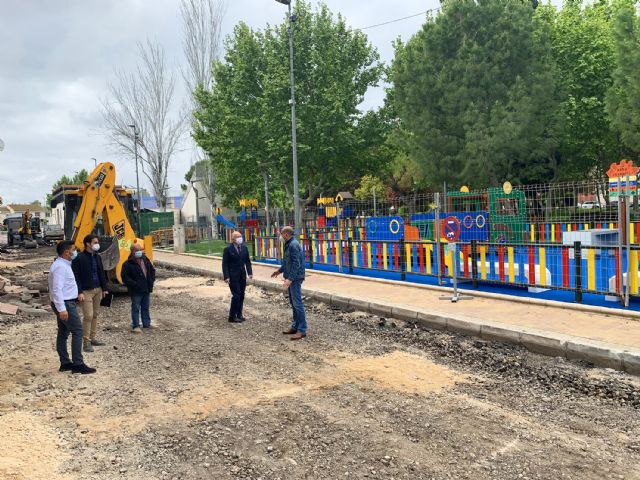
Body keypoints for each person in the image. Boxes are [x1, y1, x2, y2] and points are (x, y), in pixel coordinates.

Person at [49, 240, 96, 374]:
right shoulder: (60, 267)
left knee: (63, 332)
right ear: (66, 252)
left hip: (65, 302)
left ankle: (65, 363)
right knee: (78, 331)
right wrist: (62, 308)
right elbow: (57, 289)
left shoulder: (63, 264)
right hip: (65, 303)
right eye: (73, 250)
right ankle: (78, 364)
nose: (75, 252)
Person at [72, 234, 109, 352]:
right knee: (88, 316)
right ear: (88, 244)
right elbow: (76, 275)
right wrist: (79, 291)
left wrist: (105, 288)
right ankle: (86, 342)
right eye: (95, 242)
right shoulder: (79, 258)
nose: (97, 244)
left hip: (98, 289)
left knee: (95, 314)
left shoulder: (97, 257)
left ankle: (92, 338)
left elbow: (101, 273)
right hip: (86, 291)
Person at [271, 226, 307, 340]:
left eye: (281, 234)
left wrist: (290, 279)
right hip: (292, 277)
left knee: (297, 304)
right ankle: (295, 326)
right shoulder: (288, 244)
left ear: (286, 234)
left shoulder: (293, 245)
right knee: (293, 303)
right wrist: (279, 271)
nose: (280, 236)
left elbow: (297, 264)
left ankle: (302, 330)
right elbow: (288, 262)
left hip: (295, 279)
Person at [121, 243, 156, 333]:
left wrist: (151, 280)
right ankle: (136, 325)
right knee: (136, 308)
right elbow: (125, 278)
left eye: (140, 250)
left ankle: (146, 323)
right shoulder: (127, 264)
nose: (139, 252)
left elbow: (152, 270)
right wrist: (135, 285)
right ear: (132, 252)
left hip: (146, 288)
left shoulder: (145, 259)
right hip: (136, 291)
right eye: (137, 250)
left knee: (145, 307)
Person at [222, 231, 253, 323]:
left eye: (241, 236)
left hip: (242, 275)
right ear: (233, 239)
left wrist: (250, 272)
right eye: (238, 237)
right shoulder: (228, 249)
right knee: (236, 295)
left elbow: (247, 261)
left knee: (242, 295)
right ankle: (232, 316)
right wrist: (226, 276)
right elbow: (225, 264)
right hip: (232, 276)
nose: (240, 238)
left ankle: (239, 314)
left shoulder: (244, 248)